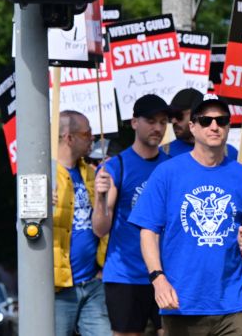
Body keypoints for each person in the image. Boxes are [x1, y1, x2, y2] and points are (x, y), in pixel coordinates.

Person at [130, 95, 242, 335]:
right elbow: (148, 231)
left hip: (232, 303)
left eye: (221, 121)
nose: (214, 126)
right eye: (205, 120)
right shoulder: (167, 172)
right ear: (193, 127)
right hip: (181, 303)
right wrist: (158, 279)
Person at [93, 94, 172, 336]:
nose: (158, 127)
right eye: (151, 120)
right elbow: (100, 228)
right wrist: (100, 195)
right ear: (134, 121)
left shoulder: (172, 167)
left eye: (162, 121)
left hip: (166, 274)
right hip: (125, 276)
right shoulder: (116, 166)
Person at [53, 110, 111, 336]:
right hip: (59, 287)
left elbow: (101, 228)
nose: (93, 139)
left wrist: (102, 196)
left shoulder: (91, 173)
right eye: (87, 134)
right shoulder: (45, 174)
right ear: (69, 137)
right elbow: (25, 228)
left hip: (92, 282)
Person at [167, 88, 239, 160]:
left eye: (178, 115)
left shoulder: (230, 153)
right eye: (170, 115)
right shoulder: (164, 152)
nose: (173, 121)